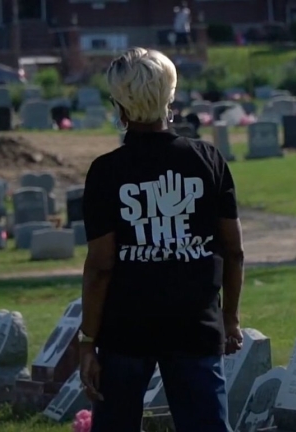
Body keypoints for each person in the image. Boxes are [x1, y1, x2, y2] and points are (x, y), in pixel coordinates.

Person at [79, 47, 245, 432]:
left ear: (119, 106)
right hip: (195, 324)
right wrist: (230, 318)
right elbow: (232, 250)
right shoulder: (207, 159)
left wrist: (88, 340)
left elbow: (101, 266)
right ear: (170, 97)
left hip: (126, 329)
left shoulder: (106, 172)